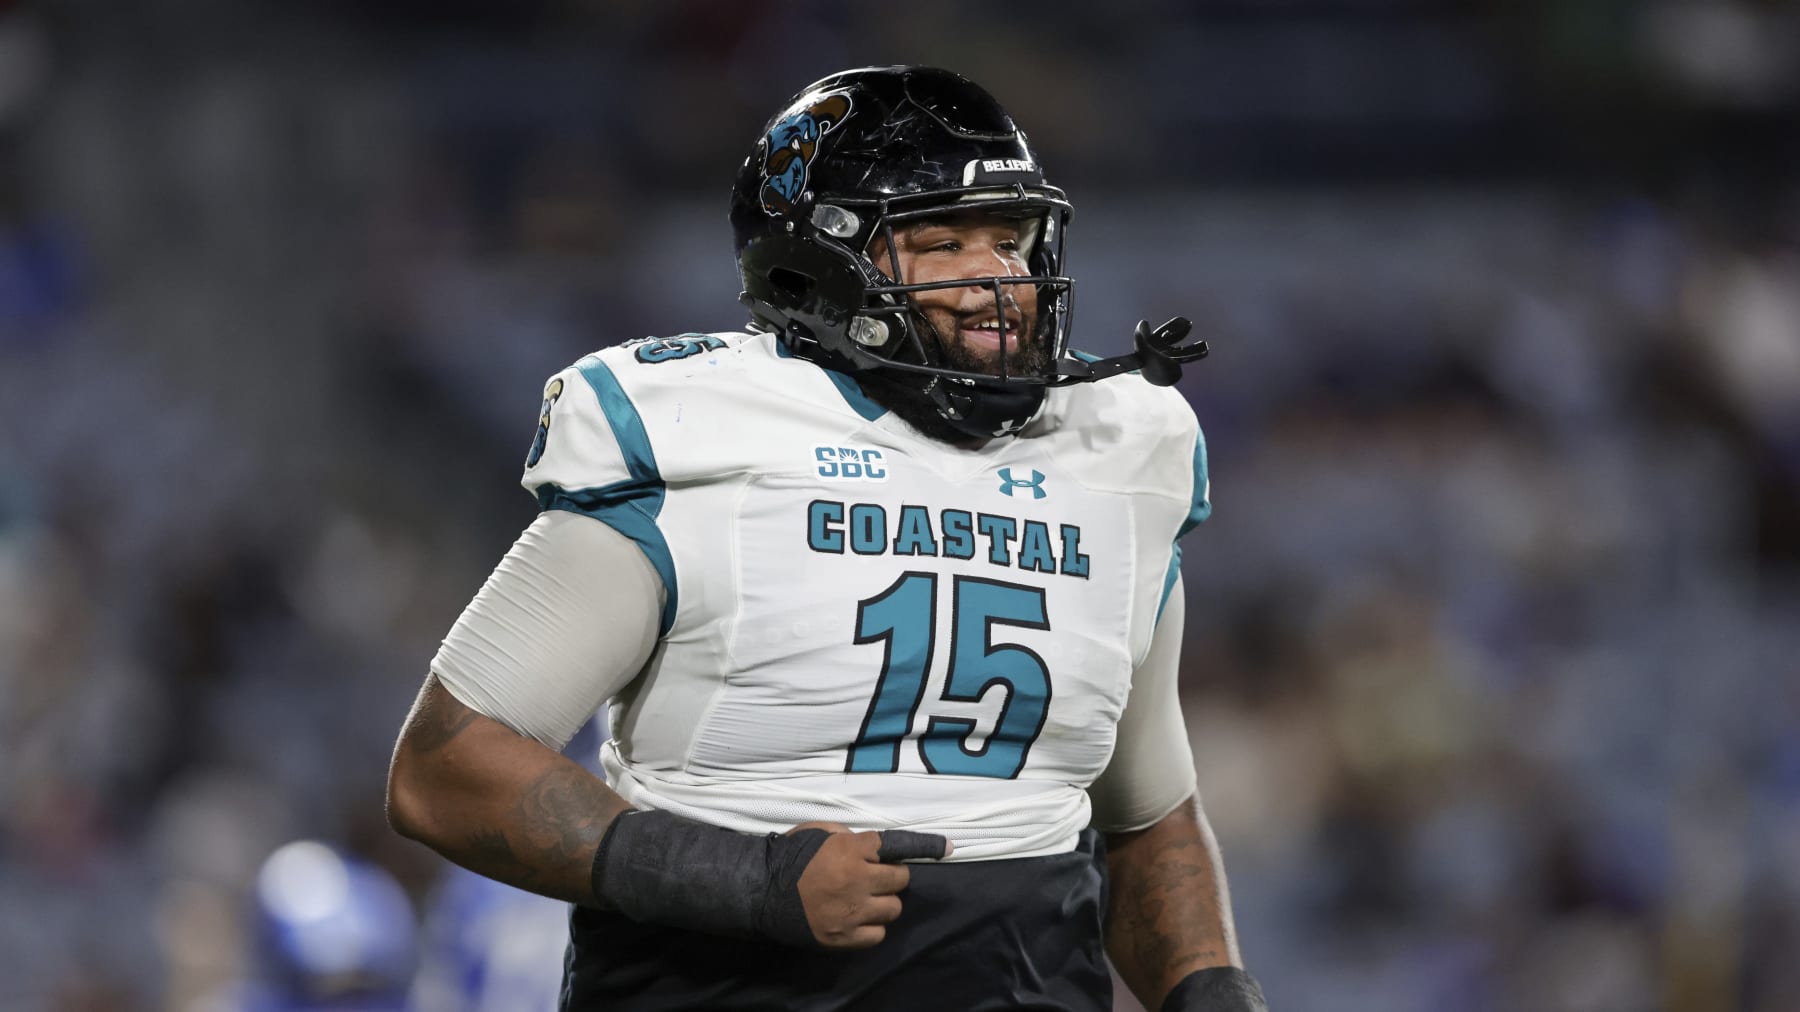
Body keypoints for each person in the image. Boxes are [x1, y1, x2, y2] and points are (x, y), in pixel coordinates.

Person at [386, 66, 1268, 1012]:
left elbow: (1148, 819)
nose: (1002, 282)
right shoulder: (702, 434)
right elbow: (444, 771)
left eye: (1010, 241)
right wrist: (748, 881)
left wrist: (1212, 992)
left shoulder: (1116, 450)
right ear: (820, 264)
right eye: (945, 243)